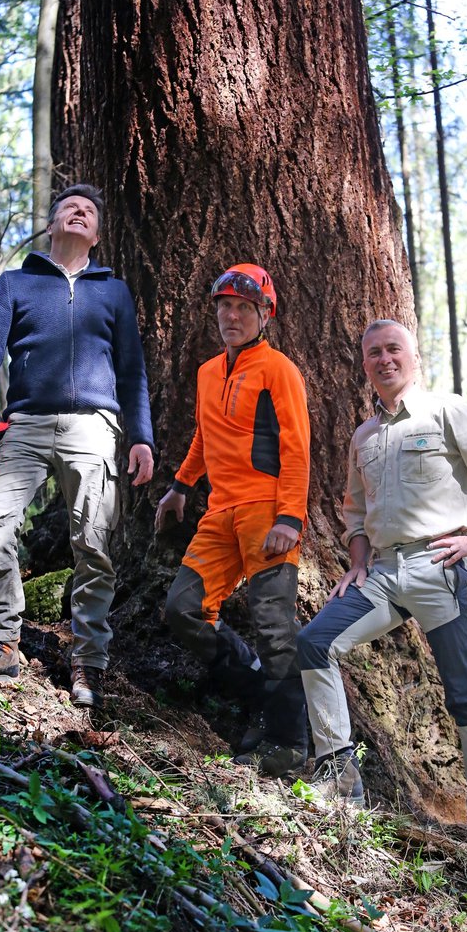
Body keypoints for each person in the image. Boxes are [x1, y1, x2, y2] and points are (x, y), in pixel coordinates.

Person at [297, 319, 467, 847]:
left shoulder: (448, 410)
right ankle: (339, 775)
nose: (384, 359)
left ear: (413, 356)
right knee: (313, 642)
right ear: (365, 364)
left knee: (464, 694)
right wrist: (356, 562)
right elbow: (354, 510)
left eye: (393, 349)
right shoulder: (364, 436)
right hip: (382, 573)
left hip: (440, 568)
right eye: (373, 352)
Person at [0, 184, 154, 708]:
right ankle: (1, 643)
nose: (79, 213)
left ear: (97, 234)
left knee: (94, 544)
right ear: (52, 223)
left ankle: (89, 662)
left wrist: (142, 438)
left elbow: (132, 371)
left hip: (95, 428)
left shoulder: (114, 291)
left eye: (89, 212)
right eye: (69, 208)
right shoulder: (16, 283)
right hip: (26, 424)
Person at [155, 263, 310, 778]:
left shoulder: (279, 369)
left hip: (268, 513)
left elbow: (296, 446)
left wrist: (291, 515)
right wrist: (180, 487)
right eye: (225, 306)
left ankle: (288, 743)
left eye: (245, 307)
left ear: (264, 314)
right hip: (219, 513)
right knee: (183, 609)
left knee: (274, 628)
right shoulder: (206, 372)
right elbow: (205, 435)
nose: (232, 315)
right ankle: (256, 686)